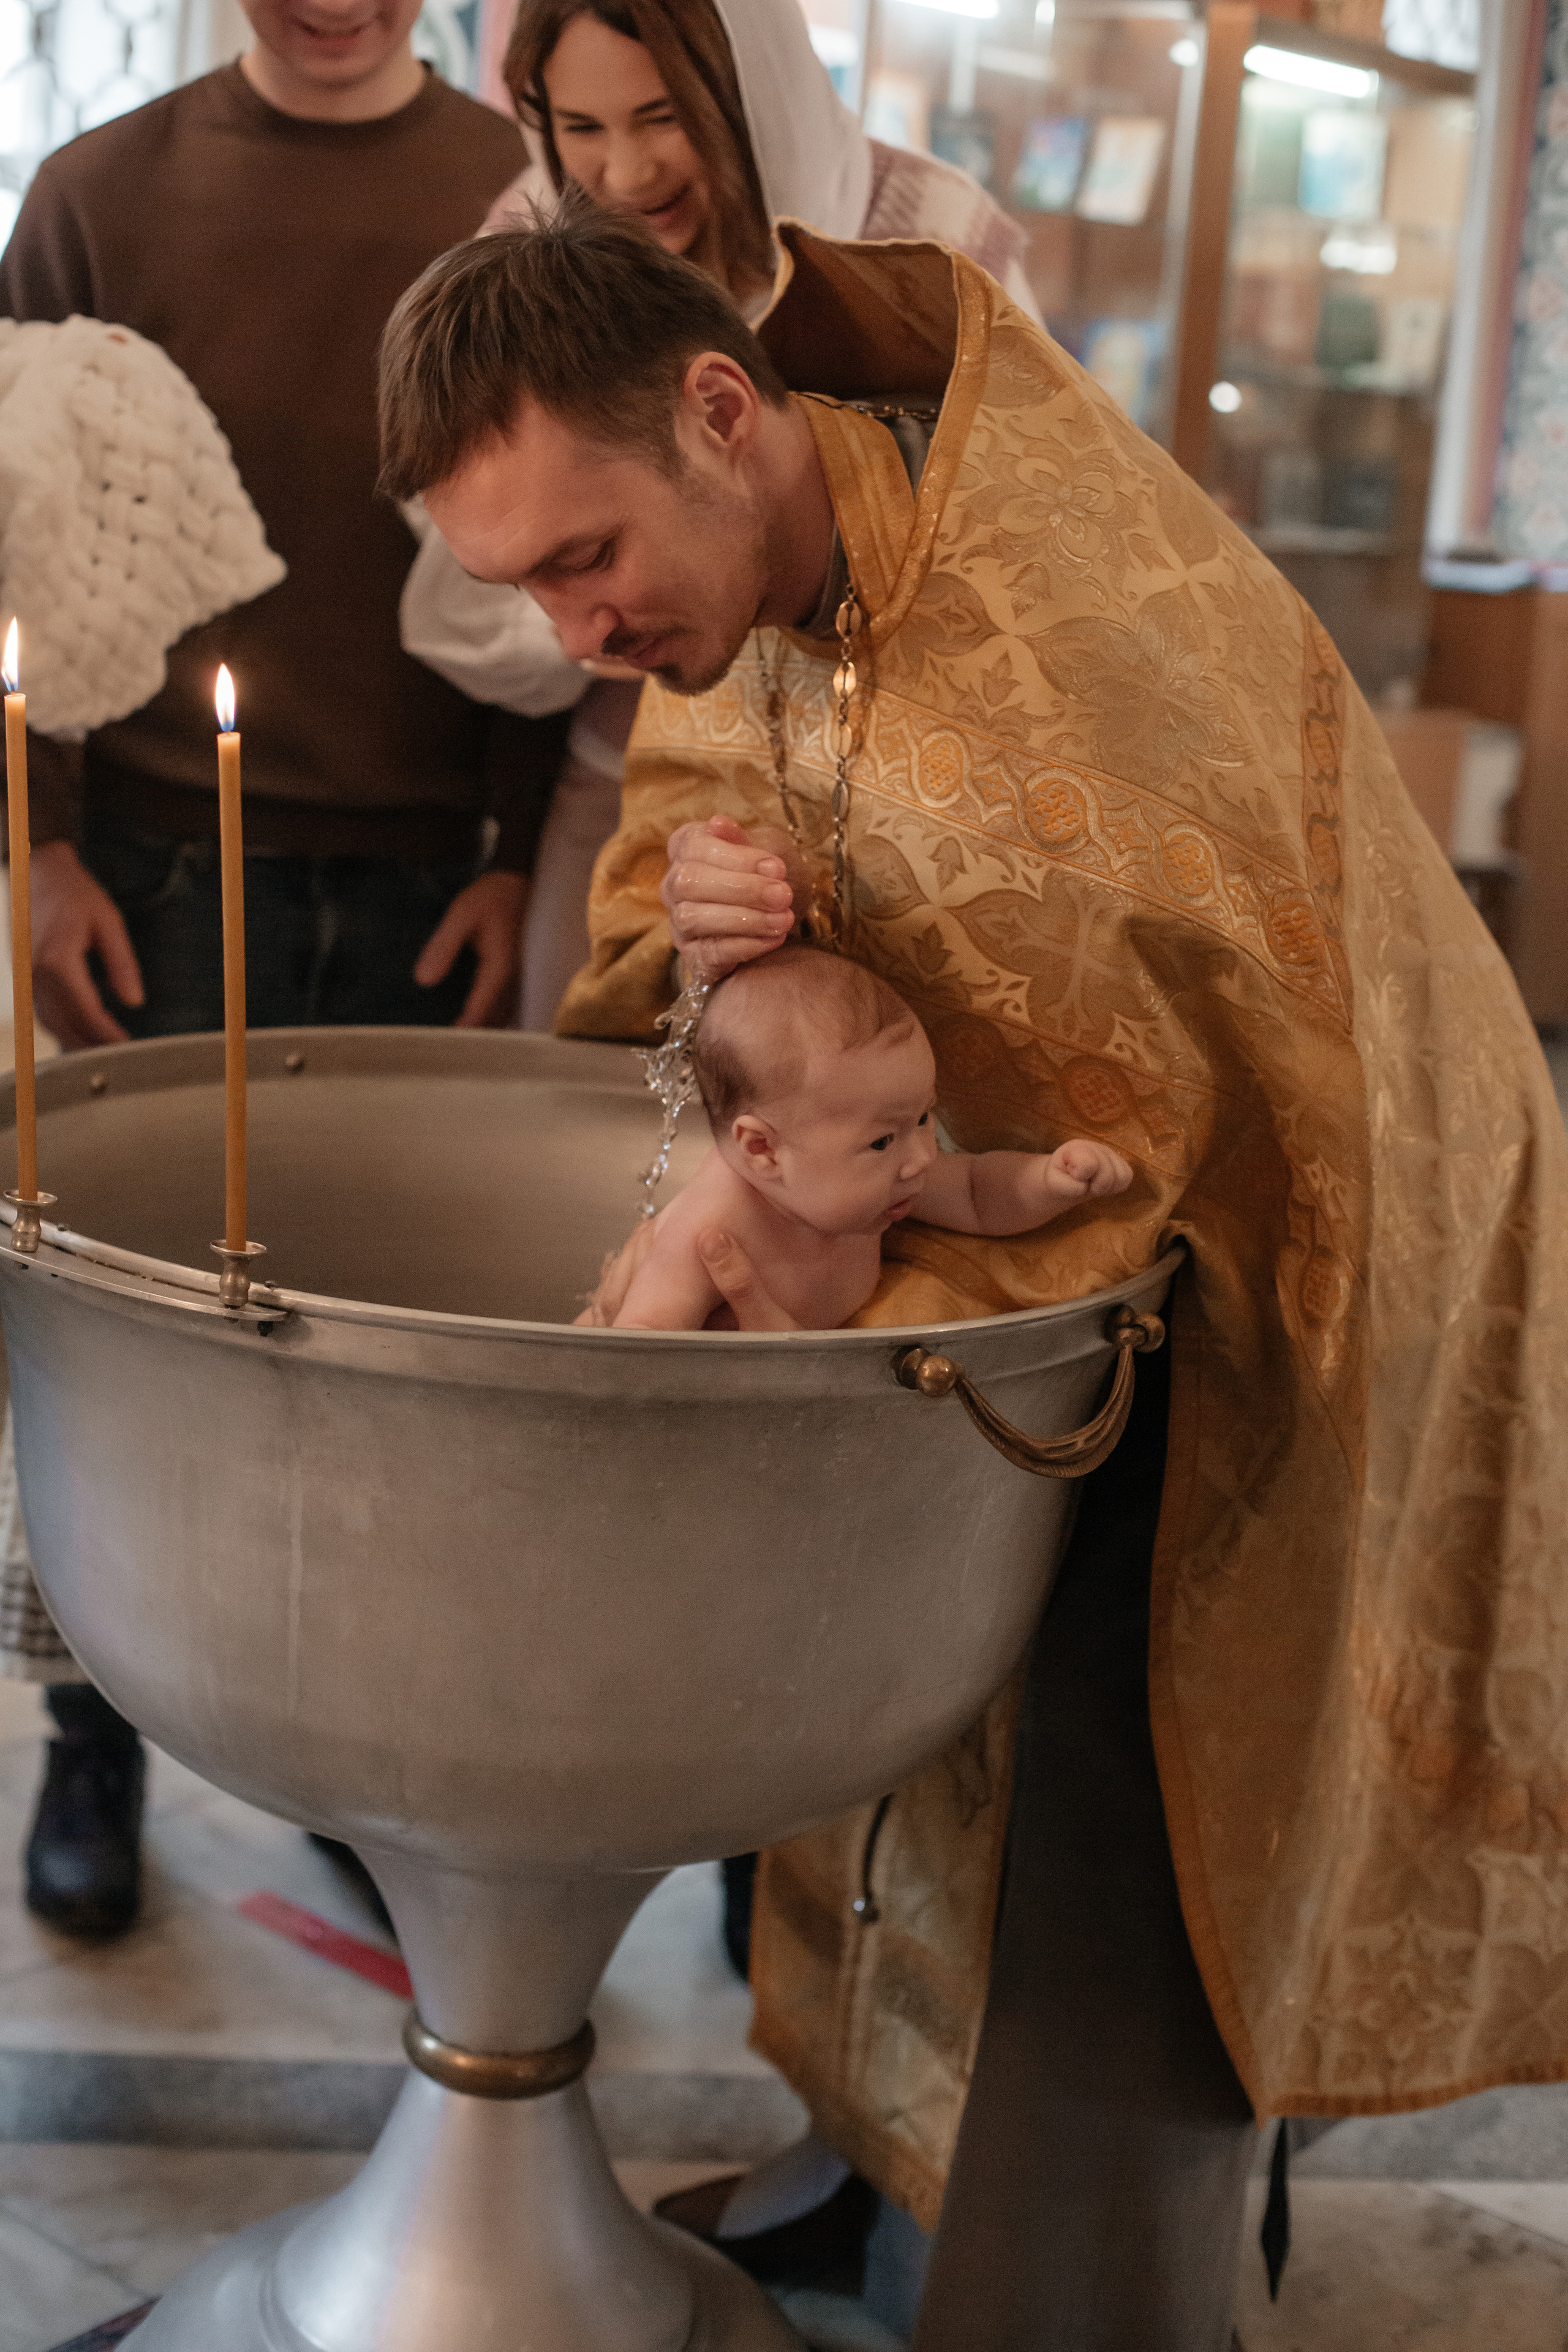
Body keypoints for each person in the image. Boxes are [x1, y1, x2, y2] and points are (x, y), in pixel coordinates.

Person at [377, 199, 1568, 2348]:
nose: (577, 630)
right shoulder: (757, 572)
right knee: (921, 1765)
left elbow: (1152, 1119)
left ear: (719, 409)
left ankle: (1083, 2290)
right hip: (970, 1273)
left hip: (1271, 1268)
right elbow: (674, 963)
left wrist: (810, 1290)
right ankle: (880, 2190)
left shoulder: (1070, 626)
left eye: (586, 557)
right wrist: (715, 935)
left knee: (1124, 1812)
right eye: (525, 586)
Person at [0, 0, 553, 1937]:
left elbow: (550, 539)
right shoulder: (96, 195)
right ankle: (91, 1734)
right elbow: (12, 530)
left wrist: (517, 848)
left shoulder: (512, 193)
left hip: (426, 869)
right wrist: (40, 842)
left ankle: (339, 1758)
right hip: (153, 862)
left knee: (370, 1348)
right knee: (124, 1329)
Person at [398, 0, 1038, 1036]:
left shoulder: (921, 234)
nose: (626, 172)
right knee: (594, 1067)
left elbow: (1022, 517)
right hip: (627, 772)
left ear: (749, 91)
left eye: (664, 117)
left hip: (913, 781)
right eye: (581, 128)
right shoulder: (536, 237)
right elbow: (489, 541)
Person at [587, 944, 1131, 1331]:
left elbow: (977, 1195)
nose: (922, 1158)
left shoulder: (881, 1179)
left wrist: (1051, 1180)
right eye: (881, 1141)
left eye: (924, 1118)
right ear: (763, 1149)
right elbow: (640, 1351)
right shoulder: (710, 1232)